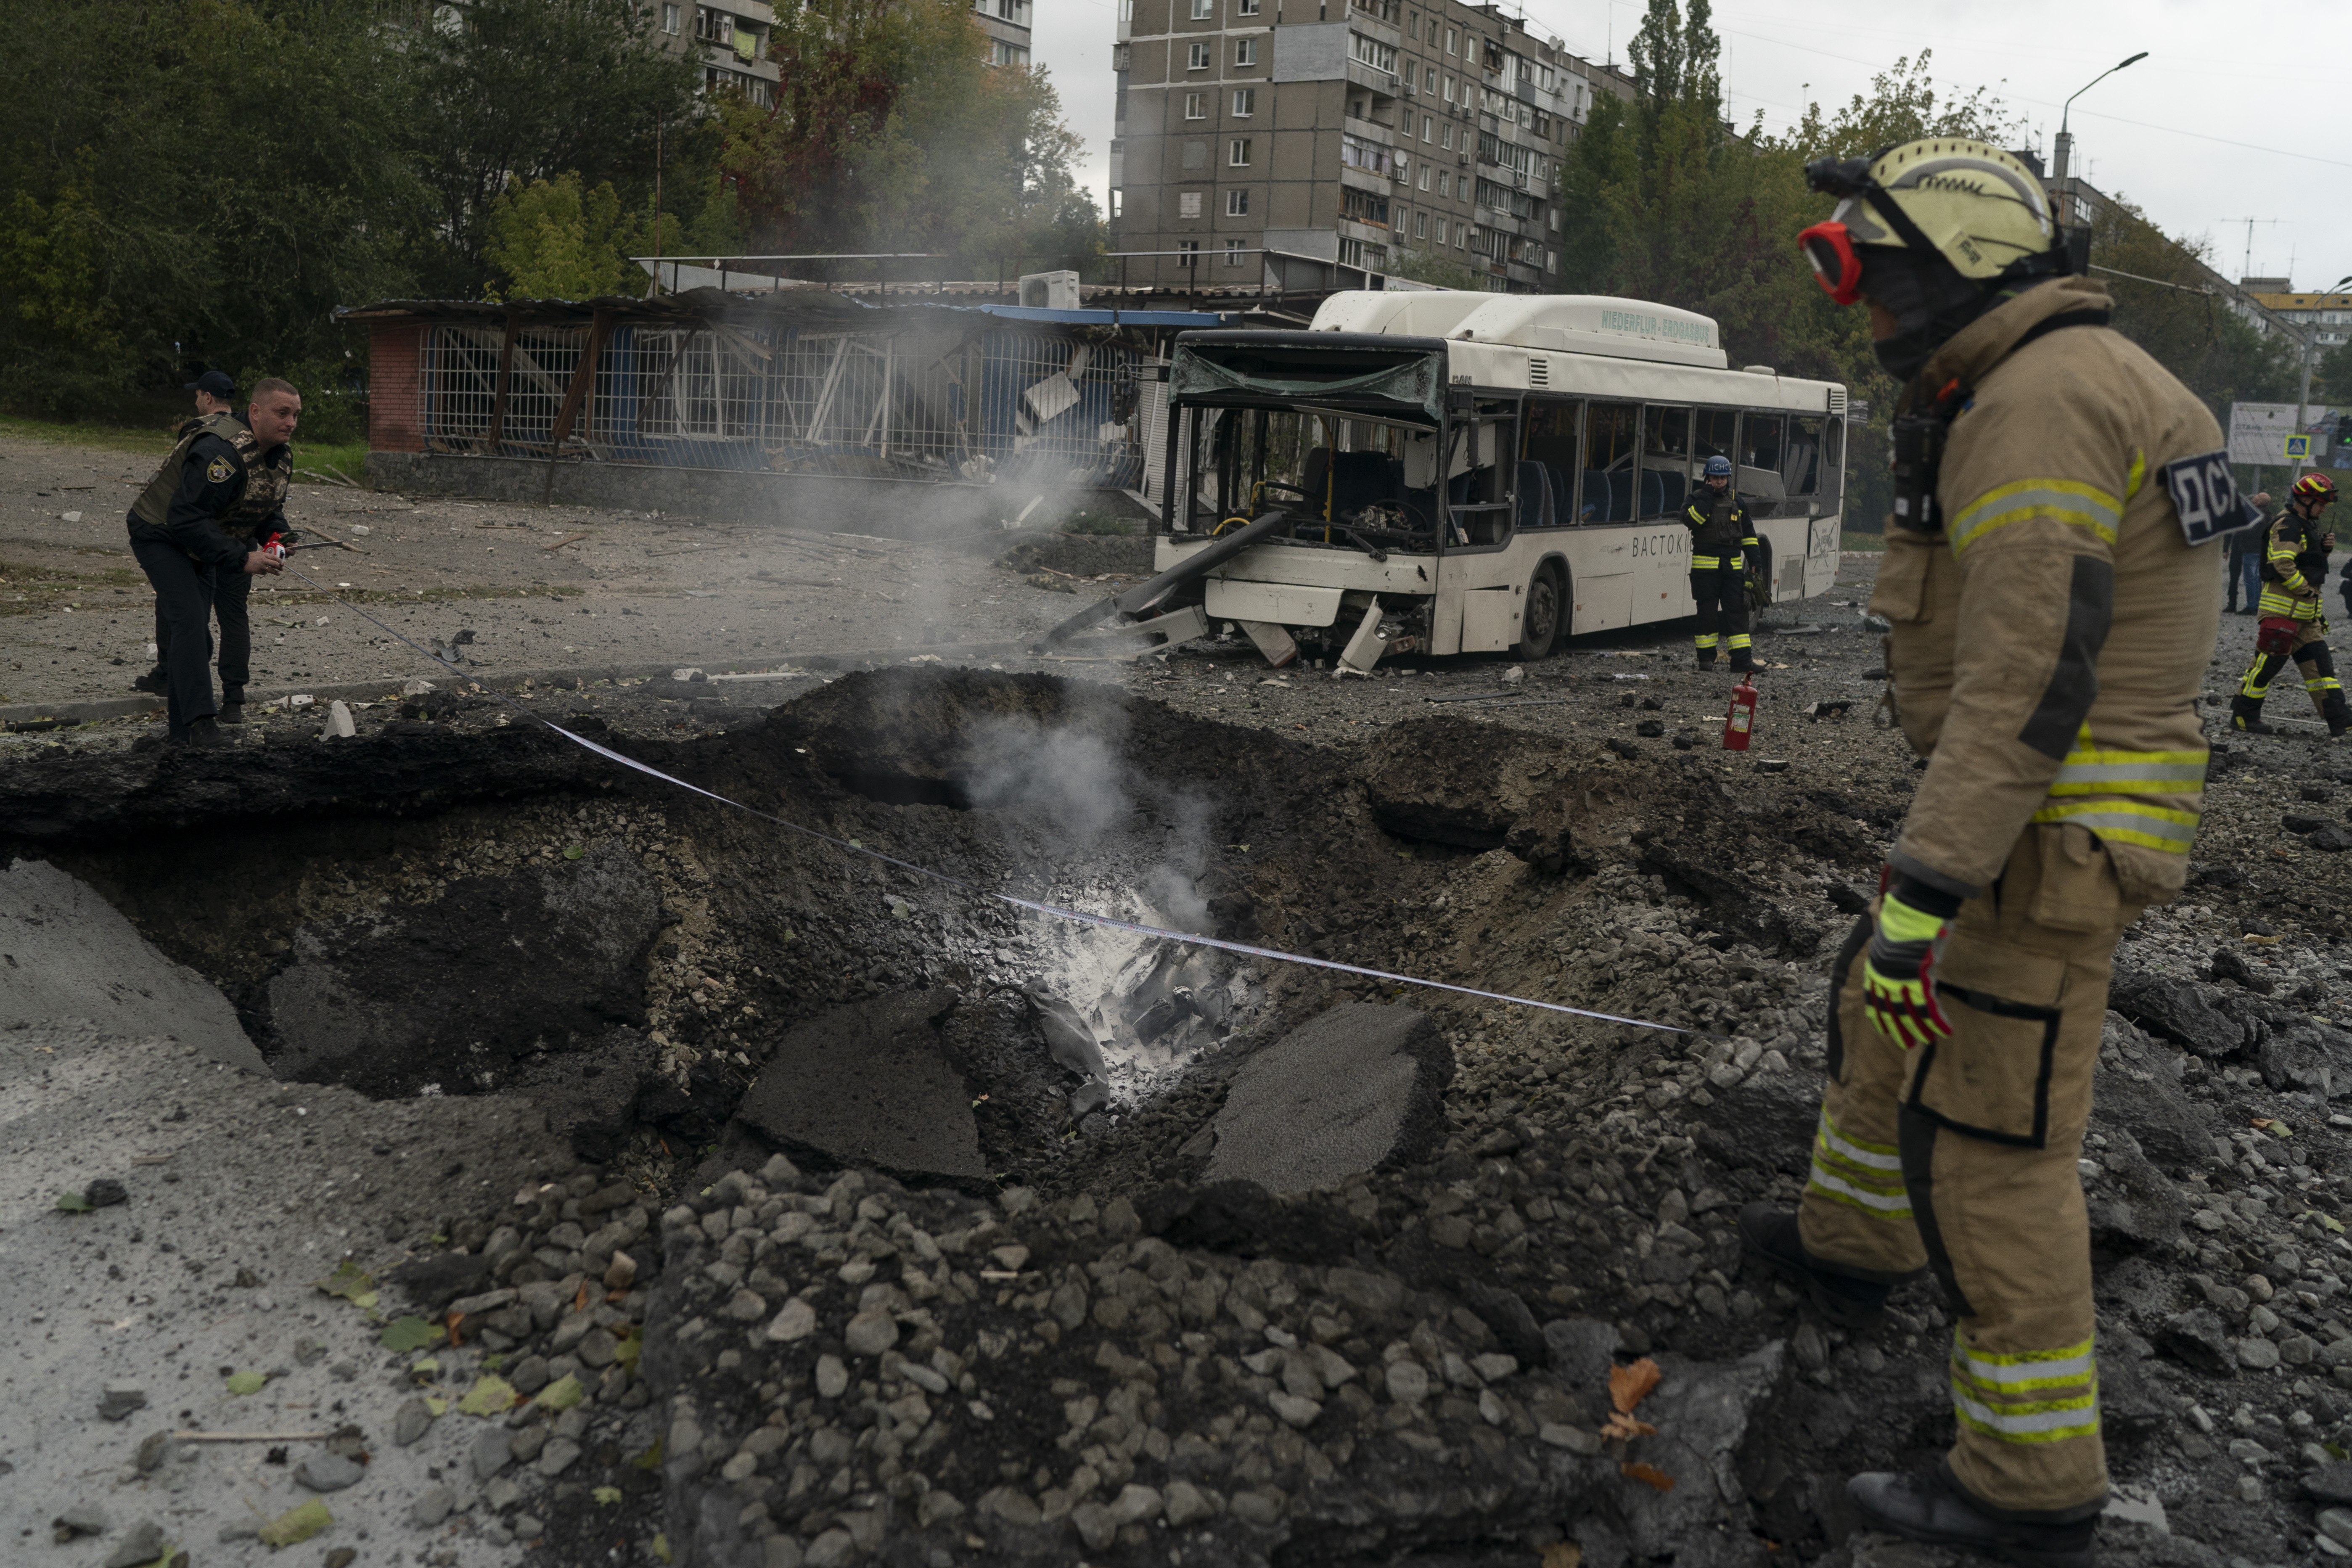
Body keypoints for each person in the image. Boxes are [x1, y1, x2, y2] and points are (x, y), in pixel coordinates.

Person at [1746, 139, 2232, 1567]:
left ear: (1958, 268)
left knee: (1991, 1144)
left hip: (2040, 833)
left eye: (1883, 281)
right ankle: (1851, 1250)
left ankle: (2029, 1481)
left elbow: (2028, 680)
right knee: (1875, 1017)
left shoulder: (2038, 404)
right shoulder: (2065, 376)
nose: (1872, 317)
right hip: (2026, 819)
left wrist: (1924, 885)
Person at [124, 378, 299, 744]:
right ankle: (201, 725)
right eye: (282, 413)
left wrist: (278, 537)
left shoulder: (280, 455)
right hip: (161, 533)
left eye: (296, 415)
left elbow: (267, 506)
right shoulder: (219, 451)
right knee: (189, 622)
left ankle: (180, 736)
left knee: (194, 631)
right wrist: (242, 557)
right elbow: (185, 518)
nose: (291, 423)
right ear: (255, 411)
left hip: (202, 540)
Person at [132, 370, 260, 703]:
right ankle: (234, 697)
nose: (195, 401)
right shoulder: (250, 436)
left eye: (197, 395)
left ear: (206, 398)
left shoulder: (199, 431)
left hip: (202, 543)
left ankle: (172, 677)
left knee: (184, 612)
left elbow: (185, 492)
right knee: (234, 615)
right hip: (242, 538)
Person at [2230, 472, 2344, 736]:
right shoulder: (2288, 524)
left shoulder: (2305, 524)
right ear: (2304, 499)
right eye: (2321, 502)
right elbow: (2283, 564)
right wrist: (2304, 591)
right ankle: (2243, 717)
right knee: (2265, 668)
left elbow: (2306, 561)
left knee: (2322, 671)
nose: (2325, 508)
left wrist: (2324, 550)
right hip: (2282, 615)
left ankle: (2341, 723)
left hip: (2305, 618)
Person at [1681, 454, 1758, 672]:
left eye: (1722, 478)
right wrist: (1706, 496)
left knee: (1738, 616)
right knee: (1707, 617)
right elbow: (1692, 521)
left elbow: (1749, 535)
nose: (1718, 482)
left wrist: (1755, 563)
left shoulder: (1738, 502)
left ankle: (1742, 662)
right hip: (1705, 575)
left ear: (1728, 478)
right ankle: (1706, 660)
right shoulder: (1695, 499)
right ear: (1707, 478)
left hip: (1732, 572)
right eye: (1714, 478)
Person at [2223, 489, 2271, 614]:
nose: (2254, 497)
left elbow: (2249, 531)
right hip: (2256, 549)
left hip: (2249, 548)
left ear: (2260, 501)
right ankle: (2255, 604)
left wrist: (2238, 528)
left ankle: (2250, 606)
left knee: (2250, 578)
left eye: (2257, 496)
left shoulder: (2256, 515)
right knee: (2255, 578)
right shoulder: (2267, 515)